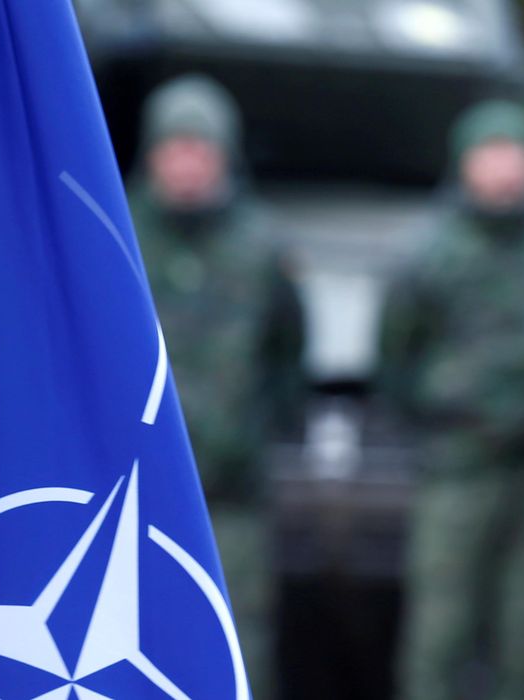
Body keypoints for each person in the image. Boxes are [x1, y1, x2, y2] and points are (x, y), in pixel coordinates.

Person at [384, 100, 524, 700]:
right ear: (465, 164)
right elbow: (395, 358)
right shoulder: (431, 254)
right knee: (440, 631)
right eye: (490, 154)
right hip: (458, 469)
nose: (505, 169)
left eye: (515, 153)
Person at [131, 74, 305, 700]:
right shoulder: (117, 237)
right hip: (128, 495)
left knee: (235, 633)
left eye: (200, 149)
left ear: (224, 156)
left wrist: (253, 435)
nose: (186, 164)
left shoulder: (260, 248)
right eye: (174, 148)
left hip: (231, 492)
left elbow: (288, 357)